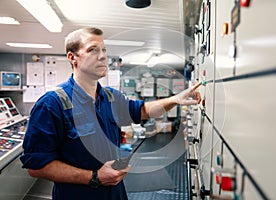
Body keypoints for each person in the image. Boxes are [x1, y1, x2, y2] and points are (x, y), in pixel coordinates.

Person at [20, 27, 202, 200]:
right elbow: (37, 166)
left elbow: (142, 111)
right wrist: (94, 177)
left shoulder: (111, 97)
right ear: (72, 57)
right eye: (92, 50)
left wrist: (175, 99)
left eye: (104, 50)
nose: (102, 57)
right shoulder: (52, 104)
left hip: (115, 193)